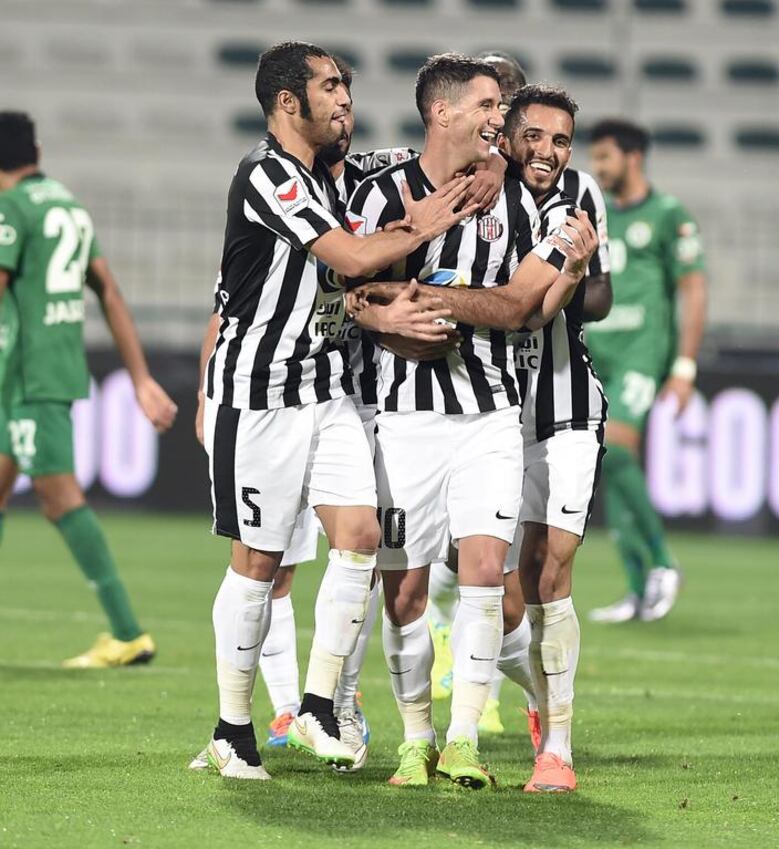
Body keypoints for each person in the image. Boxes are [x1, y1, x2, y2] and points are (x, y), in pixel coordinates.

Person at [190, 41, 479, 781]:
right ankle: (231, 727)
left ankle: (320, 704)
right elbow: (349, 258)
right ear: (288, 102)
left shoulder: (339, 170)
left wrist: (486, 148)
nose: (345, 96)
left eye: (347, 83)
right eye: (329, 86)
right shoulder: (267, 174)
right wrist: (423, 225)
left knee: (360, 532)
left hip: (326, 388)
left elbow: (432, 157)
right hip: (258, 394)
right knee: (258, 565)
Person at [346, 54, 596, 789]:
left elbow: (523, 306)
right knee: (405, 591)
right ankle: (413, 738)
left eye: (508, 106)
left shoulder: (530, 199)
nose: (504, 119)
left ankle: (464, 740)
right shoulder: (384, 186)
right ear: (445, 111)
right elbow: (350, 282)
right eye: (493, 104)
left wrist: (418, 295)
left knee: (491, 571)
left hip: (493, 412)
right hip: (404, 415)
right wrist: (378, 311)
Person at [427, 51, 612, 742]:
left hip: (564, 403)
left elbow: (596, 296)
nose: (546, 150)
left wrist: (575, 271)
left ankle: (556, 745)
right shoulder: (476, 193)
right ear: (505, 129)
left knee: (552, 565)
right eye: (531, 133)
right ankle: (539, 690)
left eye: (559, 140)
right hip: (493, 405)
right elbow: (509, 304)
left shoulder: (582, 194)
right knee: (505, 596)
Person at [0, 110, 178, 667]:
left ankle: (127, 632)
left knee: (60, 500)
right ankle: (125, 632)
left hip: (30, 374)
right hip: (39, 372)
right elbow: (110, 293)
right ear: (38, 150)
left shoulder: (10, 208)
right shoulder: (67, 204)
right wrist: (142, 377)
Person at [585, 119, 707, 624]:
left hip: (640, 354)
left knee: (616, 447)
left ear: (633, 157)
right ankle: (638, 590)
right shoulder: (599, 213)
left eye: (605, 157)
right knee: (611, 466)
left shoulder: (667, 214)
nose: (597, 168)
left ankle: (661, 560)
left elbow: (693, 290)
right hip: (597, 353)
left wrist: (682, 368)